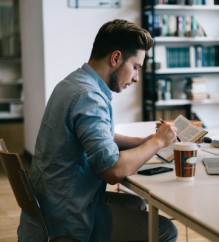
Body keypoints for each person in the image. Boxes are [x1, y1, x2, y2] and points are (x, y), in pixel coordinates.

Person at [18, 19, 178, 242]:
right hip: (68, 217)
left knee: (136, 203)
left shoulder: (73, 83)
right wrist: (158, 143)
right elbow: (112, 171)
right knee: (166, 230)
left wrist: (143, 141)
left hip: (51, 203)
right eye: (135, 67)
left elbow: (95, 137)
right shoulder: (89, 97)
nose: (136, 78)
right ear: (115, 58)